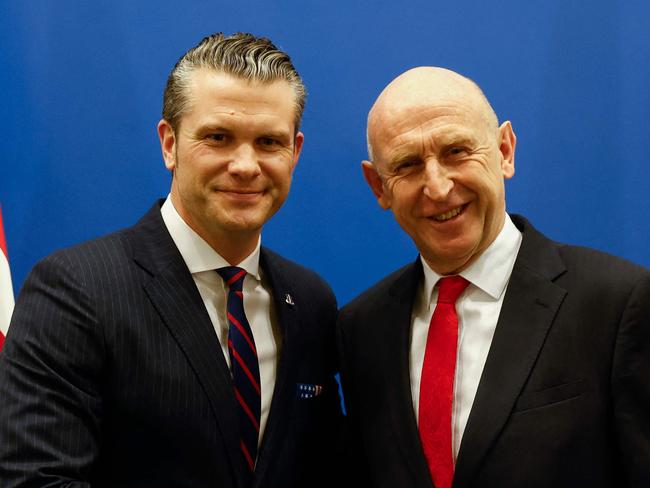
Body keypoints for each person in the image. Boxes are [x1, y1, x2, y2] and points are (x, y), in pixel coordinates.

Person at [0, 32, 342, 487]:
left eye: (268, 142)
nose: (245, 164)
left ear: (294, 152)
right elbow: (36, 479)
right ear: (169, 144)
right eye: (218, 137)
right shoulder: (76, 289)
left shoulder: (311, 301)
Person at [338, 66, 650, 488]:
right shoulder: (361, 329)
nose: (438, 186)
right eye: (408, 165)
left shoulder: (618, 303)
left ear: (504, 150)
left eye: (456, 152)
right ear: (379, 186)